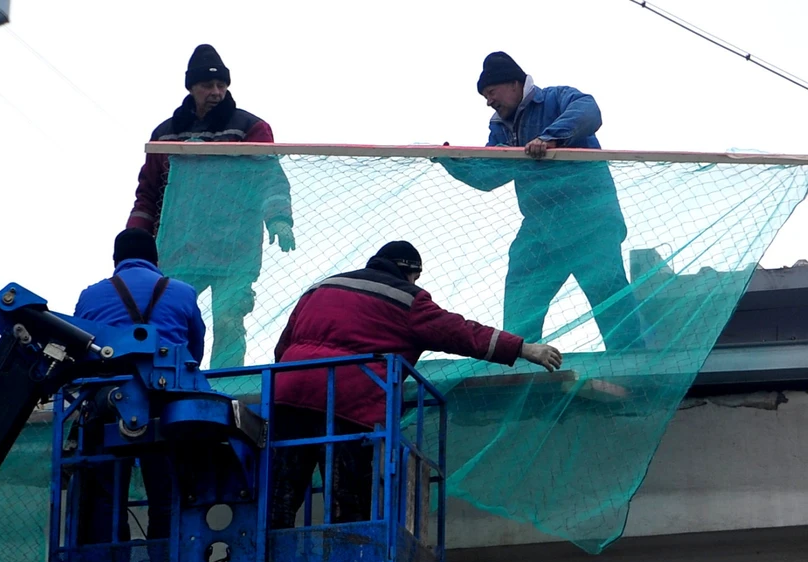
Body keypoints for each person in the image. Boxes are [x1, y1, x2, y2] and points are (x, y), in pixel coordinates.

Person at [269, 241, 563, 529]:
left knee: (280, 490)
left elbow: (282, 348)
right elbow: (459, 332)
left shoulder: (322, 287)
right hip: (348, 401)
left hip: (288, 393)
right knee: (348, 498)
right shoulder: (408, 300)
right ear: (410, 272)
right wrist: (523, 348)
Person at [437, 51, 643, 351]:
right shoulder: (500, 129)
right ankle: (521, 359)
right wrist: (450, 159)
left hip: (590, 218)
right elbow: (488, 176)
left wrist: (550, 139)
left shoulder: (556, 98)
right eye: (484, 96)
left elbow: (589, 111)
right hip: (542, 225)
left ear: (513, 84)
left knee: (606, 289)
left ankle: (632, 360)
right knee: (522, 286)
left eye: (491, 92)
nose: (488, 101)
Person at [126, 44, 295, 369]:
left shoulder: (249, 129)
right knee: (169, 317)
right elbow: (147, 194)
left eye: (221, 85)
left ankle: (223, 384)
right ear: (192, 87)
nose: (216, 92)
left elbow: (269, 176)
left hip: (235, 247)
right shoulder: (165, 134)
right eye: (207, 85)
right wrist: (135, 243)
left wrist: (278, 219)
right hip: (179, 247)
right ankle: (169, 380)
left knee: (230, 320)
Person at [73, 228, 205, 553]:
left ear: (116, 260)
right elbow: (194, 352)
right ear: (155, 259)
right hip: (167, 400)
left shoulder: (90, 296)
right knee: (167, 489)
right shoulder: (183, 291)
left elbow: (79, 352)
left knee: (105, 493)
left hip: (107, 400)